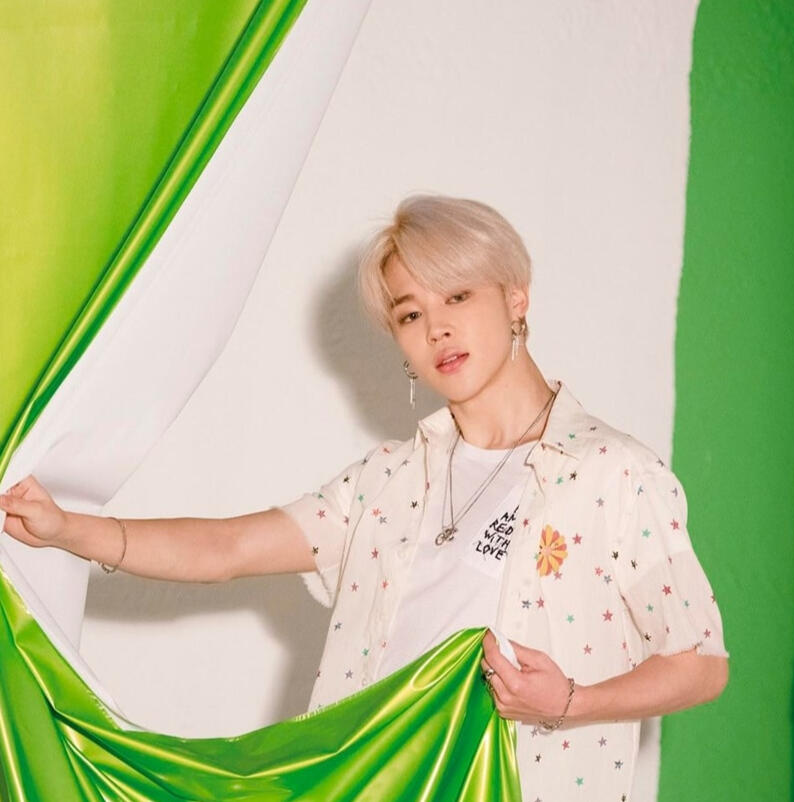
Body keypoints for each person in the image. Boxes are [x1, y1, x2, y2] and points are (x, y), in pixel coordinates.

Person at [0, 193, 728, 801]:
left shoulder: (610, 473)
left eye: (457, 295)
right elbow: (227, 548)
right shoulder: (390, 480)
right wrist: (66, 529)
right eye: (410, 314)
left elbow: (700, 663)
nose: (437, 327)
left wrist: (569, 703)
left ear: (516, 298)